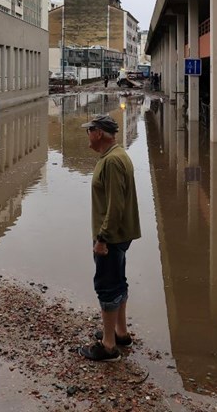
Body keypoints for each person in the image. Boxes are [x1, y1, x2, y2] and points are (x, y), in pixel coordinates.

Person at [79, 114, 141, 362]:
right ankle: (120, 333)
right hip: (119, 234)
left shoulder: (112, 162)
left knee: (107, 286)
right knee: (119, 281)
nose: (87, 136)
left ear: (99, 134)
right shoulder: (115, 155)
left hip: (111, 237)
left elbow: (115, 206)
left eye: (89, 131)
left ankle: (107, 346)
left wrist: (102, 239)